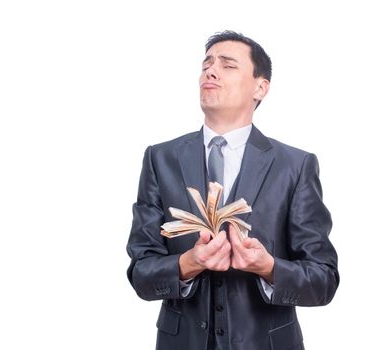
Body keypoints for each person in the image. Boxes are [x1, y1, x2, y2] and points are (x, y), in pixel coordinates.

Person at [126, 30, 339, 350]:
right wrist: (188, 262)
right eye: (207, 63)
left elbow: (322, 281)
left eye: (227, 65)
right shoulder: (161, 159)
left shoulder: (294, 166)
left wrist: (268, 267)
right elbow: (141, 272)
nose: (210, 71)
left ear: (260, 87)